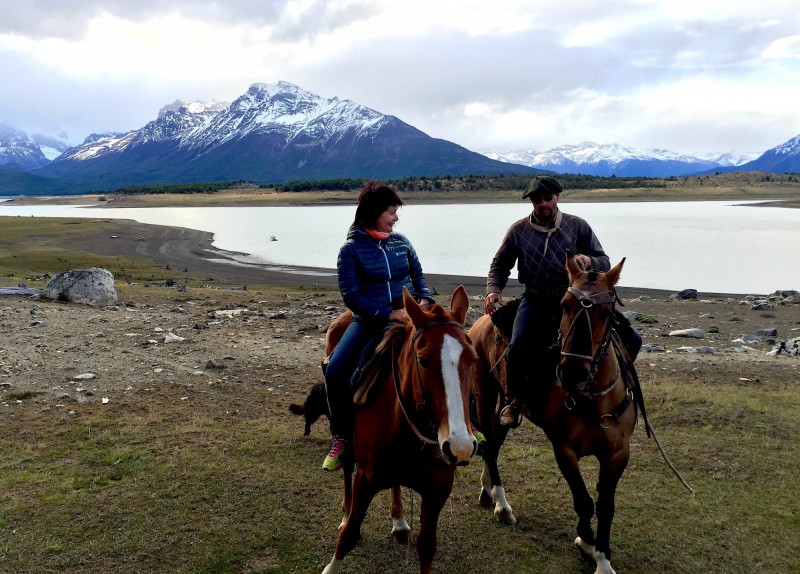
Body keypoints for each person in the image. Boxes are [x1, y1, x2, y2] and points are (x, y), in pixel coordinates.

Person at [484, 175, 641, 428]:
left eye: (548, 198)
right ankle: (513, 401)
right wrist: (494, 289)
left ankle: (621, 389)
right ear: (531, 201)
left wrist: (590, 262)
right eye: (537, 199)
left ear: (557, 197)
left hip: (576, 299)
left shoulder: (577, 226)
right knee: (519, 345)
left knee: (632, 340)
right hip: (536, 297)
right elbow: (500, 264)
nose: (543, 203)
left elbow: (604, 260)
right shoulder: (518, 230)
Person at [321, 181, 436, 472]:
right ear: (374, 213)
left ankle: (468, 423)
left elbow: (418, 275)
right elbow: (351, 295)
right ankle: (342, 437)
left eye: (396, 212)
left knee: (450, 354)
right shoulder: (350, 251)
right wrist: (386, 313)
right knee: (334, 370)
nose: (396, 218)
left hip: (411, 315)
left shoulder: (402, 243)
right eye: (391, 212)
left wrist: (425, 299)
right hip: (370, 321)